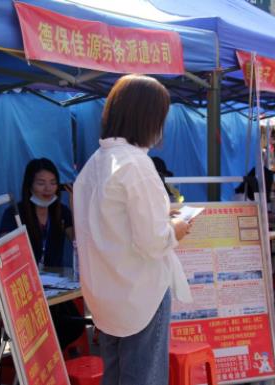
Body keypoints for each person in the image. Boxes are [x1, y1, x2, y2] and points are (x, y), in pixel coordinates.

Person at [73, 74, 192, 385]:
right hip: (141, 293)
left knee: (115, 375)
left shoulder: (95, 163)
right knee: (143, 377)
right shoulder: (137, 165)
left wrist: (162, 216)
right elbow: (153, 242)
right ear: (149, 118)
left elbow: (108, 224)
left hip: (106, 293)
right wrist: (176, 228)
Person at [0, 158, 85, 349]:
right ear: (29, 185)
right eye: (41, 183)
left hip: (52, 289)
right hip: (24, 288)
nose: (48, 189)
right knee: (47, 325)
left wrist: (74, 207)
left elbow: (79, 242)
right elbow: (3, 252)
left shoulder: (61, 212)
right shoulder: (14, 213)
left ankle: (47, 359)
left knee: (72, 324)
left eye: (53, 183)